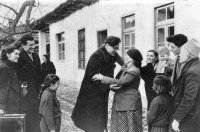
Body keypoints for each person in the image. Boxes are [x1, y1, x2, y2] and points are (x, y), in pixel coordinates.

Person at [71, 36, 124, 132]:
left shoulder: (111, 52)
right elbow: (92, 76)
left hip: (100, 92)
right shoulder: (97, 56)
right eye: (115, 48)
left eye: (117, 48)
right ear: (107, 45)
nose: (116, 50)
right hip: (91, 93)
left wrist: (131, 65)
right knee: (91, 120)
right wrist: (107, 86)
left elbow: (123, 63)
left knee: (98, 119)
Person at [93, 48, 143, 132]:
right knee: (123, 126)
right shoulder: (130, 68)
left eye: (127, 55)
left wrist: (102, 78)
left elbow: (120, 81)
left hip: (128, 102)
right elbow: (119, 76)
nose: (125, 57)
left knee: (128, 126)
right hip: (125, 101)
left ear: (132, 58)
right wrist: (124, 65)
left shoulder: (133, 71)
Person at [168, 38, 200, 132]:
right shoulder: (193, 67)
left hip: (189, 117)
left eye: (182, 52)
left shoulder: (193, 71)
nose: (180, 54)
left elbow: (189, 98)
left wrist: (177, 119)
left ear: (188, 55)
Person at [17, 34, 43, 132]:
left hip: (36, 90)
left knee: (37, 114)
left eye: (34, 44)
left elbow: (39, 72)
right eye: (30, 45)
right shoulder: (19, 56)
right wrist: (24, 89)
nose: (33, 47)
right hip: (26, 92)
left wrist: (41, 86)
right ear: (23, 46)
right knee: (28, 115)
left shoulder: (36, 56)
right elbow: (19, 76)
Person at [0, 46, 21, 131]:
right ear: (8, 55)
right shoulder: (5, 67)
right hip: (9, 106)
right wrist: (1, 107)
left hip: (12, 105)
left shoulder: (10, 66)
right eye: (16, 54)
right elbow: (2, 88)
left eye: (18, 54)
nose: (18, 56)